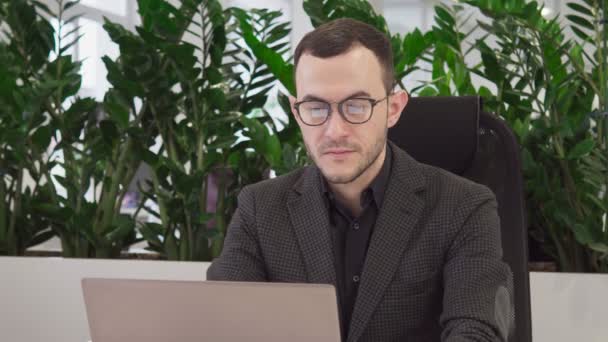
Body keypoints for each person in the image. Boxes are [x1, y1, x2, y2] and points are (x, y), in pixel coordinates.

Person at [207, 18, 514, 342]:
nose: (335, 130)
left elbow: (475, 332)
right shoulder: (260, 209)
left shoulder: (463, 207)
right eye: (315, 107)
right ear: (297, 113)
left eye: (356, 106)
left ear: (393, 108)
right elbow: (226, 326)